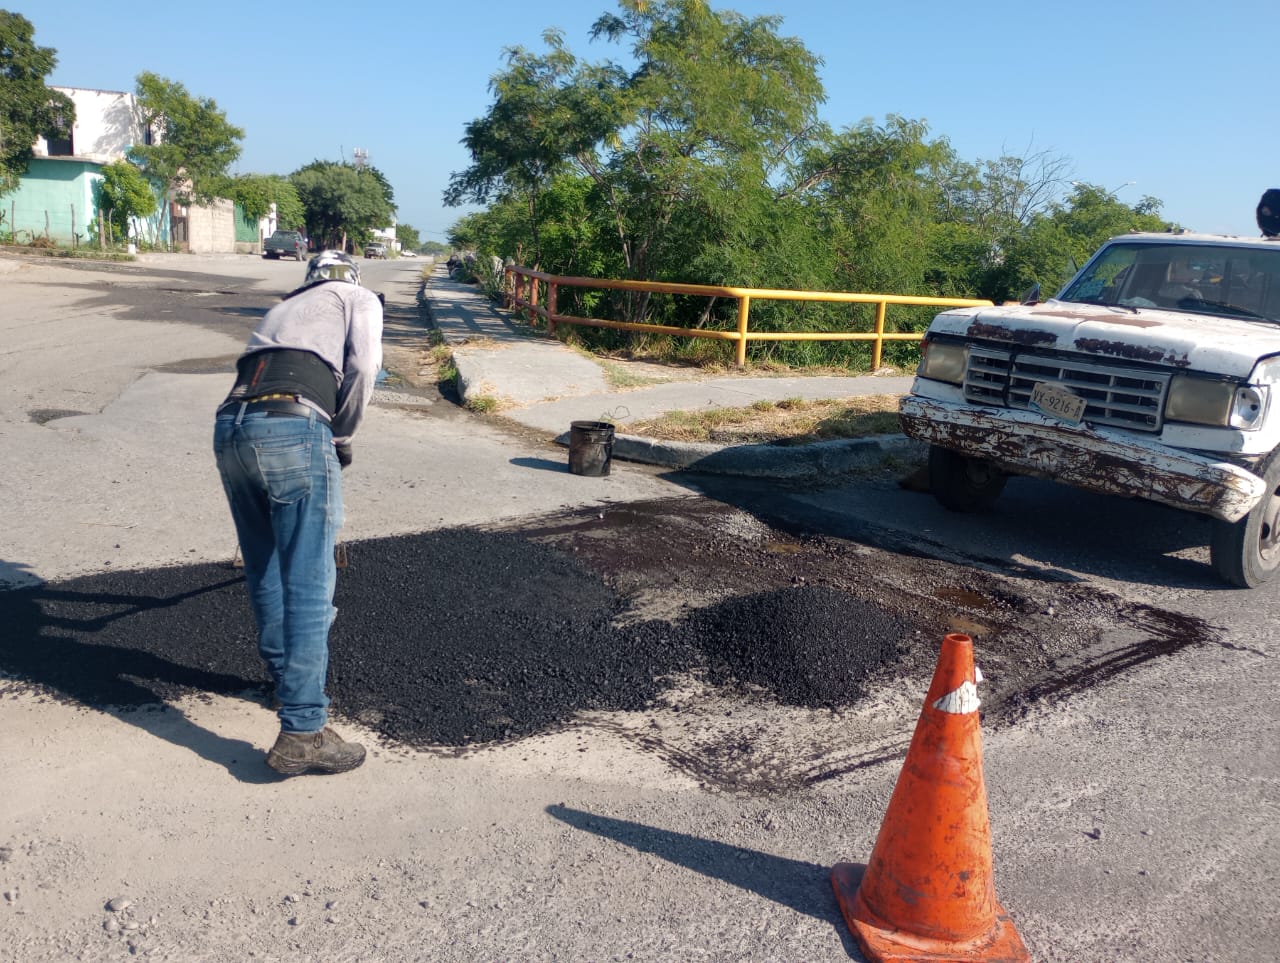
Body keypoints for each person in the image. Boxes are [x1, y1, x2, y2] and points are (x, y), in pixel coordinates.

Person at [214, 250, 383, 775]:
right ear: (352, 277)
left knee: (264, 563)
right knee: (309, 579)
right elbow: (364, 367)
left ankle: (283, 682)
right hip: (294, 425)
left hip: (231, 428)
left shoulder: (282, 308)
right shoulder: (357, 297)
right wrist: (343, 436)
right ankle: (304, 729)